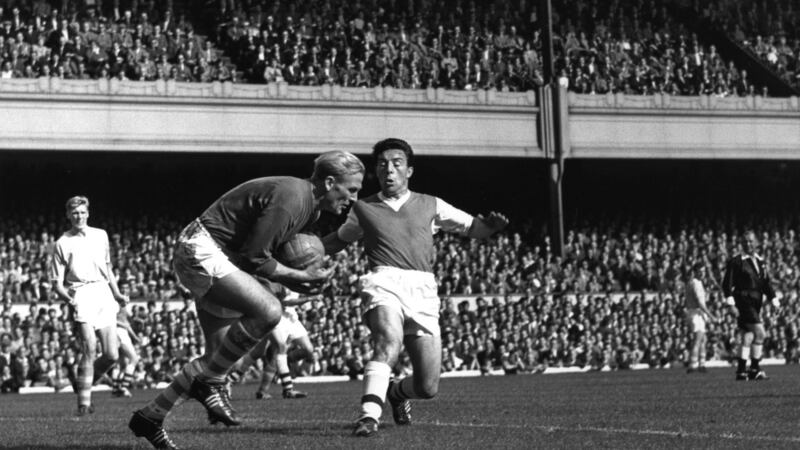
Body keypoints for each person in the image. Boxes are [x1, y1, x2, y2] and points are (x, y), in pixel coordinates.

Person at [128, 151, 364, 450]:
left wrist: (357, 233)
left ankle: (151, 417)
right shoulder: (293, 197)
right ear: (330, 182)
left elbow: (282, 254)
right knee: (268, 311)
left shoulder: (310, 209)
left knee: (217, 357)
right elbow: (256, 257)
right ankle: (210, 383)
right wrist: (295, 277)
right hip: (202, 249)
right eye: (352, 190)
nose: (354, 198)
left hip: (222, 258)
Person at [322, 138, 509, 437]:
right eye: (383, 164)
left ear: (409, 170)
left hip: (422, 288)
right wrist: (307, 255)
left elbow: (476, 228)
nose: (389, 170)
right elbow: (340, 239)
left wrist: (492, 227)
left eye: (397, 163)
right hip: (383, 280)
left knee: (427, 386)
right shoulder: (363, 208)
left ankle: (396, 394)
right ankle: (369, 415)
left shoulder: (431, 204)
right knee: (388, 340)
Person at [50, 195, 128, 415]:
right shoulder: (62, 242)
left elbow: (108, 268)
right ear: (68, 215)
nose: (79, 216)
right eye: (74, 213)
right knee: (90, 348)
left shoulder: (100, 235)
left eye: (82, 212)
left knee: (112, 354)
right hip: (81, 293)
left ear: (88, 213)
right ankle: (83, 404)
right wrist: (71, 299)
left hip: (103, 293)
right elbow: (56, 284)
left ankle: (83, 383)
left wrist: (117, 293)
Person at [229, 286, 315, 400]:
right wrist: (309, 299)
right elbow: (283, 302)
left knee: (307, 349)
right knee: (278, 351)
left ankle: (230, 381)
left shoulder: (295, 274)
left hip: (292, 317)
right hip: (276, 316)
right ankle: (285, 389)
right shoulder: (280, 278)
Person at [722, 231, 777, 381]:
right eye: (745, 241)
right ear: (741, 243)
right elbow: (727, 284)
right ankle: (754, 369)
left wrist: (774, 300)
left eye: (751, 241)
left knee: (748, 336)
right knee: (760, 333)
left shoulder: (761, 261)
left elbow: (766, 284)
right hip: (744, 301)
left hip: (756, 302)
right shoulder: (736, 261)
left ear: (757, 242)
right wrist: (731, 304)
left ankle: (741, 371)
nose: (748, 244)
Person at [684, 263, 717, 373]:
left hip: (696, 313)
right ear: (695, 272)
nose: (703, 273)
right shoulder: (695, 284)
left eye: (703, 271)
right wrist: (711, 315)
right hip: (696, 313)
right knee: (698, 340)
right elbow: (699, 303)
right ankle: (692, 365)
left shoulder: (693, 283)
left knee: (703, 339)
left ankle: (702, 364)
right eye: (700, 271)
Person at [111, 300, 139, 397]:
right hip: (119, 332)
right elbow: (111, 319)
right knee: (134, 359)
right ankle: (124, 387)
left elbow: (126, 323)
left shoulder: (122, 305)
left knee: (121, 363)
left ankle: (115, 389)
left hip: (120, 332)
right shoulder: (117, 303)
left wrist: (134, 336)